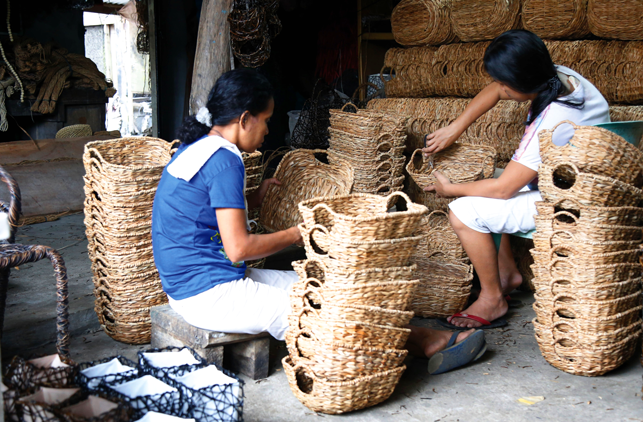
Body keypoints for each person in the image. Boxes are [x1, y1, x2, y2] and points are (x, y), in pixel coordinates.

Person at [152, 68, 487, 374]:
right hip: (209, 294)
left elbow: (199, 213)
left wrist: (254, 199)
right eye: (266, 120)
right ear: (244, 119)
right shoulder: (226, 160)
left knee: (327, 288)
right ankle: (426, 342)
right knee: (329, 313)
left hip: (192, 285)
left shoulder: (196, 148)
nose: (268, 131)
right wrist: (297, 233)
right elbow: (240, 249)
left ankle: (422, 339)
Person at [423, 30, 610, 329]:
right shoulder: (559, 76)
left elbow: (503, 189)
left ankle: (492, 297)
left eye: (505, 84)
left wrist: (450, 190)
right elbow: (496, 91)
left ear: (522, 84)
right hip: (581, 178)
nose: (500, 89)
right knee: (487, 182)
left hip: (571, 199)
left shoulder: (554, 119)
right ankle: (508, 273)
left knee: (463, 210)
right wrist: (455, 127)